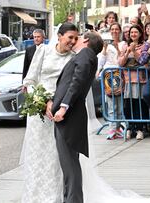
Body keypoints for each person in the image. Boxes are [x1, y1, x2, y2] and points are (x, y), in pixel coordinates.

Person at [21, 23, 78, 203]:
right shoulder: (43, 51)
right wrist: (42, 102)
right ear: (59, 36)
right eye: (70, 37)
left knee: (55, 158)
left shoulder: (74, 58)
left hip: (59, 115)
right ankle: (34, 197)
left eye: (76, 38)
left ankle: (54, 198)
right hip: (39, 114)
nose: (73, 41)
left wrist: (58, 106)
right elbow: (29, 81)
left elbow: (72, 89)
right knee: (37, 156)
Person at [50, 31, 103, 203]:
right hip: (71, 116)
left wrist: (63, 108)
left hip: (70, 116)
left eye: (78, 38)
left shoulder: (86, 53)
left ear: (85, 41)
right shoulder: (87, 55)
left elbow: (77, 81)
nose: (74, 41)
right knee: (69, 164)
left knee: (70, 165)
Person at [118, 24, 148, 140]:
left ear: (140, 34)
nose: (133, 34)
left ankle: (140, 128)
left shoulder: (144, 45)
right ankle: (130, 127)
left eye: (136, 32)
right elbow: (120, 63)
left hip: (140, 80)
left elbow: (143, 62)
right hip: (128, 80)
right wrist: (127, 52)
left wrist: (134, 51)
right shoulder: (125, 46)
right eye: (131, 33)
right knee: (128, 106)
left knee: (139, 105)